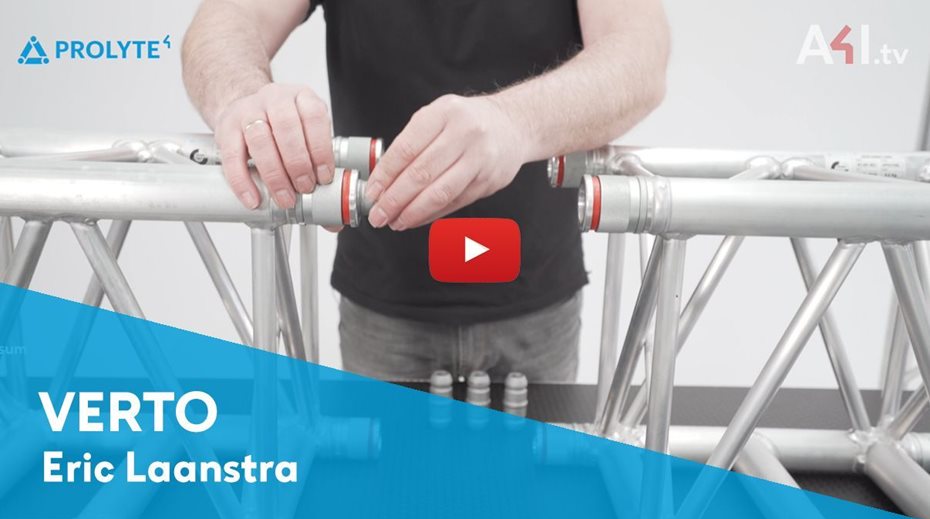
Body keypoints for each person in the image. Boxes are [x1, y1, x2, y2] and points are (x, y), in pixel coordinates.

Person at [182, 0, 669, 383]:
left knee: (529, 479)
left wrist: (516, 121)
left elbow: (639, 55)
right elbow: (230, 17)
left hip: (540, 301)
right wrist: (245, 99)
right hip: (383, 303)